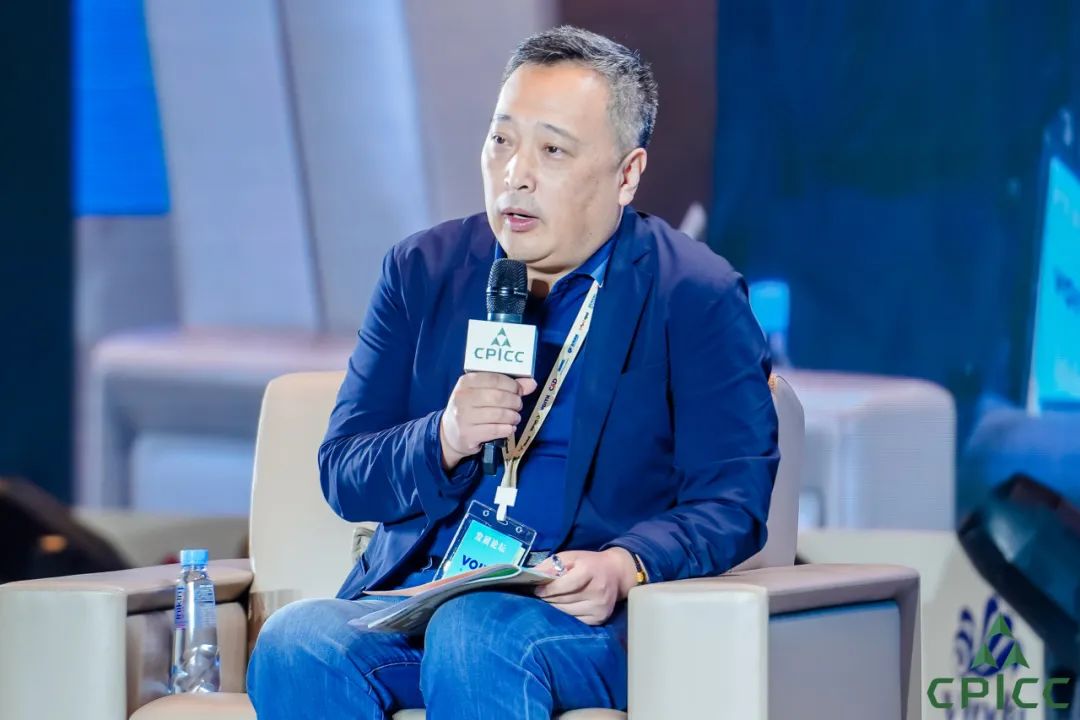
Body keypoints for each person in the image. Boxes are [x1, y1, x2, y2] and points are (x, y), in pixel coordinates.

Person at [248, 26, 778, 719]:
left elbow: (733, 499)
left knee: (475, 633)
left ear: (626, 174)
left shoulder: (692, 294)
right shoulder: (424, 271)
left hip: (578, 621)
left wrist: (625, 563)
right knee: (297, 641)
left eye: (552, 150)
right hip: (425, 597)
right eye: (501, 140)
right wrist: (443, 436)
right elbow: (345, 470)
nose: (515, 175)